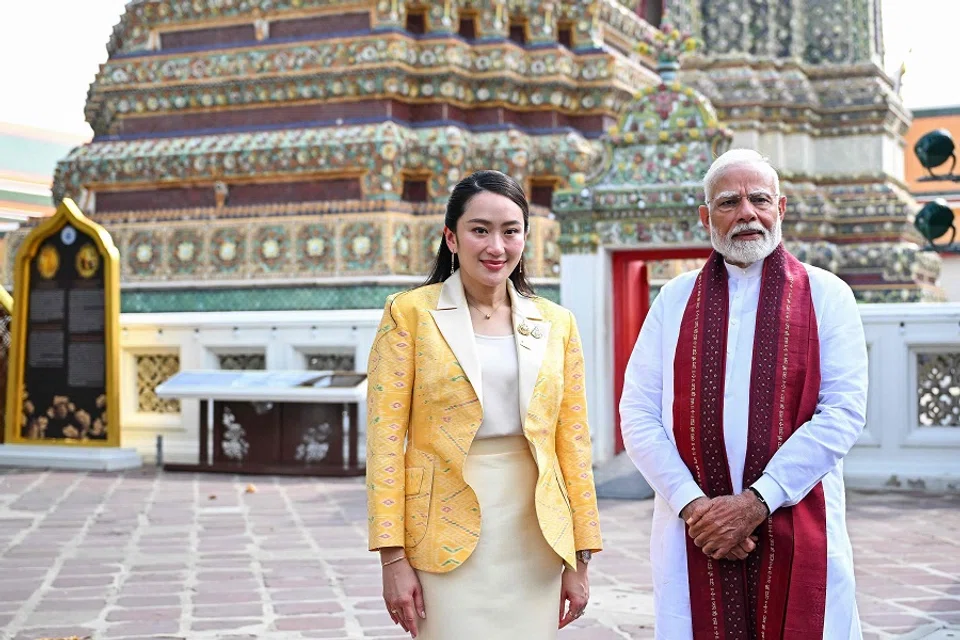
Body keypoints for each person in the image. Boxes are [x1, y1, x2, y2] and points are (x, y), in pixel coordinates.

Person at [620, 149, 868, 639]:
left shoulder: (827, 294)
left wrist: (757, 502)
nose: (747, 214)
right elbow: (638, 413)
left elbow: (842, 412)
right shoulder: (674, 300)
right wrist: (695, 508)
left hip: (795, 513)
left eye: (759, 199)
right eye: (729, 202)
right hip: (693, 530)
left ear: (781, 207)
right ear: (705, 216)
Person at [366, 170, 603, 639]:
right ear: (451, 237)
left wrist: (581, 554)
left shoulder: (556, 324)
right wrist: (392, 559)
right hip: (440, 528)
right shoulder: (409, 314)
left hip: (535, 530)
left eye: (510, 231)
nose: (496, 246)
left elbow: (573, 444)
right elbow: (385, 443)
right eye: (480, 230)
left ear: (525, 238)